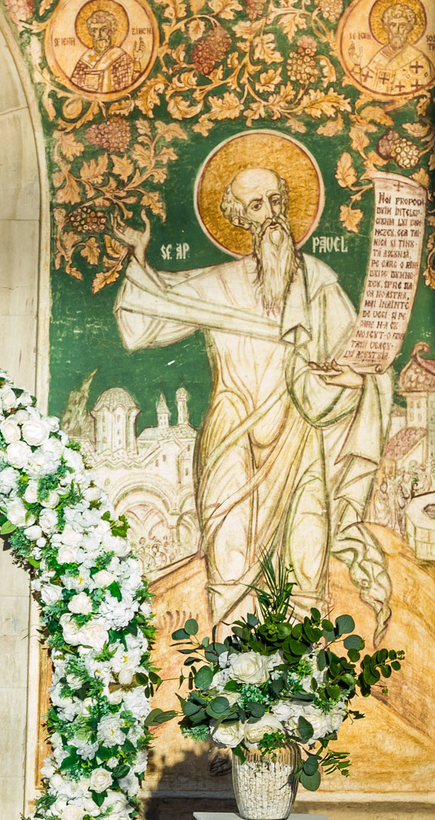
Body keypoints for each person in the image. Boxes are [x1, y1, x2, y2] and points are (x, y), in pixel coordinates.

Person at [109, 162, 392, 635]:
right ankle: (229, 678)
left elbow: (363, 366)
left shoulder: (318, 281)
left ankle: (303, 681)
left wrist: (351, 380)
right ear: (239, 217)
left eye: (278, 201)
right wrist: (138, 260)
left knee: (305, 553)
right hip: (231, 433)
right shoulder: (217, 284)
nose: (272, 215)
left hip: (300, 437)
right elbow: (142, 322)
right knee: (230, 552)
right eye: (257, 205)